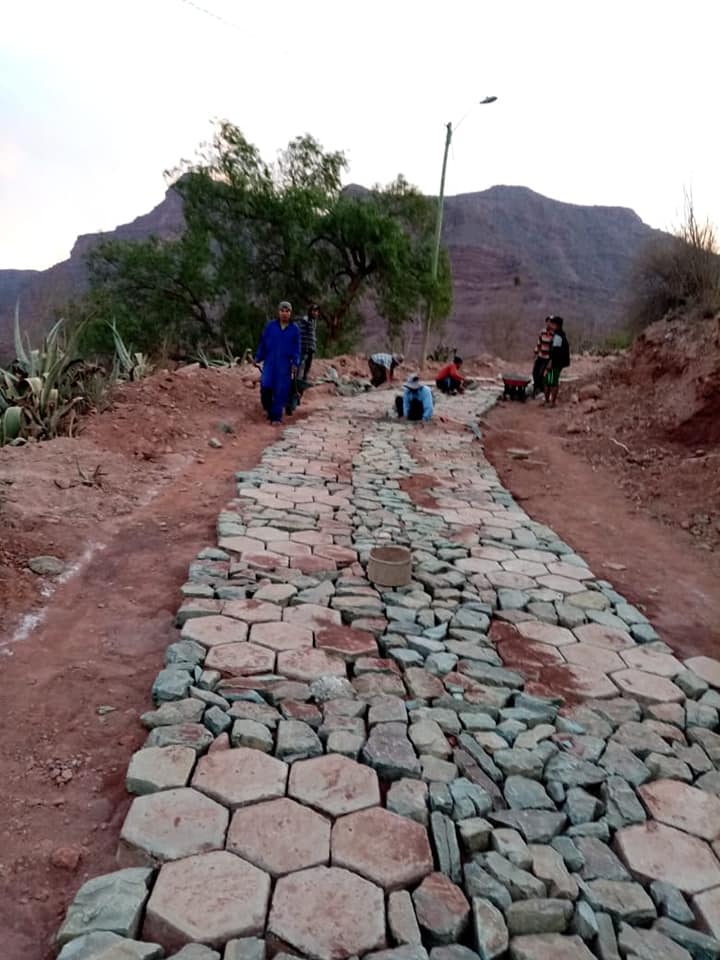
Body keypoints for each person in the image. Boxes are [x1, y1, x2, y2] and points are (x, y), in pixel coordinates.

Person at [255, 300, 301, 425]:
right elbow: (263, 343)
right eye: (282, 311)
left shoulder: (294, 330)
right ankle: (268, 409)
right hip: (270, 362)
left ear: (290, 313)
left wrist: (295, 363)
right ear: (278, 312)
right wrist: (258, 357)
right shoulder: (270, 326)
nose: (284, 313)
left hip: (284, 365)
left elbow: (297, 349)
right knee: (266, 386)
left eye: (287, 311)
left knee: (280, 391)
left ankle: (276, 417)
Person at [544, 316, 571, 407]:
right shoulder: (558, 335)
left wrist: (551, 362)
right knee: (549, 380)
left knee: (552, 381)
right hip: (556, 362)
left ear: (556, 325)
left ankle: (552, 402)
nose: (550, 325)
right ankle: (548, 401)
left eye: (552, 323)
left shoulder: (558, 337)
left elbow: (556, 351)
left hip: (556, 363)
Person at [532, 317, 554, 398]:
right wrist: (535, 352)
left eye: (551, 322)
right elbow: (539, 343)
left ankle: (542, 390)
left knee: (542, 374)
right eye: (548, 322)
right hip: (541, 355)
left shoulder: (554, 334)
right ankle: (536, 388)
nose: (549, 324)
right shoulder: (542, 332)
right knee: (535, 372)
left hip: (547, 357)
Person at [297, 303, 319, 382]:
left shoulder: (314, 322)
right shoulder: (305, 320)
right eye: (313, 311)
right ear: (310, 311)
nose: (315, 313)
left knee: (308, 365)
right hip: (304, 347)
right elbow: (300, 333)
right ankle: (297, 382)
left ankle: (304, 380)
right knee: (301, 365)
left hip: (310, 348)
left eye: (316, 311)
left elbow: (312, 335)